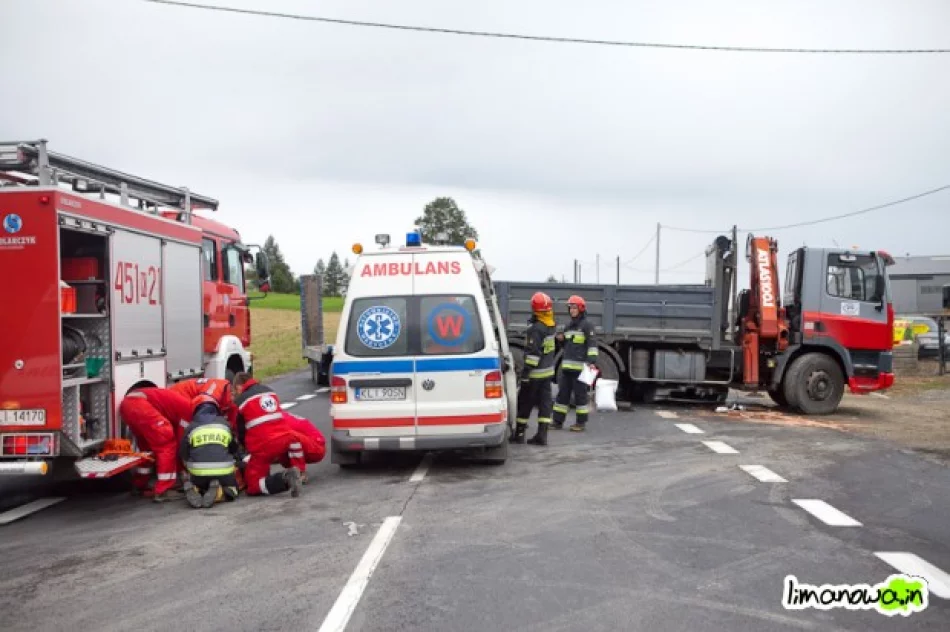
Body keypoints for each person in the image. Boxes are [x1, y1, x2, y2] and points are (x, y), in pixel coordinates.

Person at [232, 372, 319, 497]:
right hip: (285, 439)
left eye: (235, 390)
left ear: (239, 386)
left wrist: (244, 449)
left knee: (253, 485)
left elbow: (240, 431)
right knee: (294, 440)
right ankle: (299, 472)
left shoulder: (240, 401)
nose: (235, 394)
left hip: (263, 447)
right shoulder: (270, 391)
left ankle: (285, 479)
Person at [118, 387, 192, 502]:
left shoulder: (180, 402)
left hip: (127, 406)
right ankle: (164, 490)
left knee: (147, 448)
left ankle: (139, 485)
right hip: (140, 406)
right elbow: (181, 444)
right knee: (167, 443)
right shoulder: (189, 411)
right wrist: (184, 471)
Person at [510, 292, 557, 446]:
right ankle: (542, 435)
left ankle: (519, 434)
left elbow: (533, 355)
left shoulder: (536, 329)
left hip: (535, 375)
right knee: (545, 404)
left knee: (525, 402)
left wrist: (525, 374)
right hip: (548, 372)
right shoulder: (550, 325)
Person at [179, 396, 240, 509]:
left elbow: (183, 452)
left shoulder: (190, 427)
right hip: (224, 472)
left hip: (198, 474)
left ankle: (196, 488)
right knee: (234, 488)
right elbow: (234, 449)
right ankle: (219, 494)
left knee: (200, 482)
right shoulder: (225, 424)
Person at [552, 294, 599, 432]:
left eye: (574, 307)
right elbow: (565, 347)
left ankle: (580, 423)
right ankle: (557, 422)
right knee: (562, 396)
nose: (572, 310)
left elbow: (592, 345)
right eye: (570, 308)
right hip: (566, 368)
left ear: (581, 309)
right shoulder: (568, 326)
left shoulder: (587, 326)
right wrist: (560, 340)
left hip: (580, 369)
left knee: (580, 397)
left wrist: (591, 362)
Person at [168, 377, 238, 433]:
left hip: (186, 396)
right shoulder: (214, 391)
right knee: (187, 426)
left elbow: (233, 420)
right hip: (179, 395)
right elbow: (203, 412)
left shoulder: (228, 395)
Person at [280, 412, 326, 484]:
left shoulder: (275, 420)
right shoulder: (273, 414)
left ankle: (300, 473)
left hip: (316, 447)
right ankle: (292, 471)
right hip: (307, 445)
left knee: (289, 436)